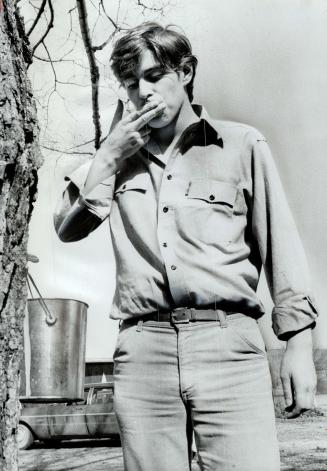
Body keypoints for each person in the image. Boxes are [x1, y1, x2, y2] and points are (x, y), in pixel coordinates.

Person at [54, 22, 318, 471]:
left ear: (186, 71)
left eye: (155, 76)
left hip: (229, 343)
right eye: (132, 84)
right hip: (142, 350)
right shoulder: (116, 160)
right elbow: (68, 227)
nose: (144, 93)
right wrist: (108, 156)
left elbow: (281, 244)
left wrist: (298, 344)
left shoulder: (241, 144)